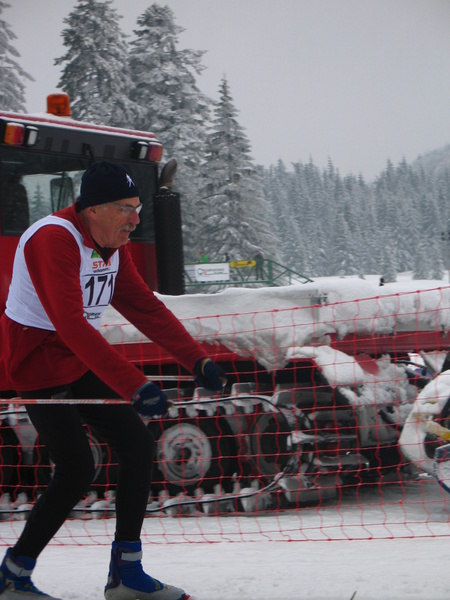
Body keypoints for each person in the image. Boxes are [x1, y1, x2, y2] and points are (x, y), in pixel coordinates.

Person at [0, 162, 226, 600]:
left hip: (78, 356)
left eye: (137, 208)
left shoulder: (110, 245)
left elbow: (145, 307)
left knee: (137, 447)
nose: (135, 220)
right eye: (125, 208)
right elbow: (70, 324)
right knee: (76, 469)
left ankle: (126, 573)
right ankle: (13, 573)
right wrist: (133, 385)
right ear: (93, 209)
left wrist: (196, 360)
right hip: (37, 361)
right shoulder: (54, 239)